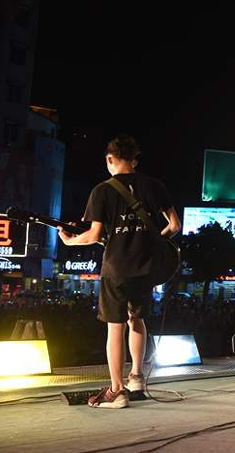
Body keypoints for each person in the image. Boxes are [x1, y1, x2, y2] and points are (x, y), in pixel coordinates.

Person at [57, 135, 181, 408]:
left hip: (116, 268)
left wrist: (70, 241)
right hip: (145, 267)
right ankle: (136, 377)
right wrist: (152, 243)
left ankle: (117, 391)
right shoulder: (154, 186)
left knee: (115, 327)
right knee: (137, 319)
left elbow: (94, 234)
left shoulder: (102, 191)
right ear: (135, 160)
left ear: (109, 159)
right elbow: (174, 225)